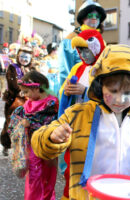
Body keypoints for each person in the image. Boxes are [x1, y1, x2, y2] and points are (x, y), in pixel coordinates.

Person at [31, 44, 130, 199]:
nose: (120, 99)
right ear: (98, 86)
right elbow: (39, 142)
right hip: (89, 195)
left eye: (129, 92)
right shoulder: (79, 114)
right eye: (113, 90)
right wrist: (52, 136)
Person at [58, 29, 105, 200]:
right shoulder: (77, 68)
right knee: (72, 164)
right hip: (75, 123)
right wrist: (67, 92)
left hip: (97, 126)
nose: (83, 54)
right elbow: (64, 92)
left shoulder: (105, 68)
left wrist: (86, 91)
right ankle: (69, 195)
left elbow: (110, 96)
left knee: (94, 167)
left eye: (86, 50)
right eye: (80, 51)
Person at [8, 71, 58, 200]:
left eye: (26, 92)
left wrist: (30, 123)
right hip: (32, 147)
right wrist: (22, 124)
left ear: (36, 88)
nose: (24, 95)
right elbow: (19, 118)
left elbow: (51, 124)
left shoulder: (52, 104)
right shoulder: (28, 103)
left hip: (48, 148)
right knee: (34, 176)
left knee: (48, 176)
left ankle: (47, 197)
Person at [57, 0, 106, 86]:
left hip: (97, 88)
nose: (94, 18)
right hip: (76, 87)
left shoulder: (101, 40)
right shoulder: (71, 39)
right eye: (90, 15)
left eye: (97, 16)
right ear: (83, 17)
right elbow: (64, 72)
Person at [1, 45, 35, 156]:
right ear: (18, 56)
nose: (24, 59)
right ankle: (6, 145)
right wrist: (24, 90)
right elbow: (13, 84)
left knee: (26, 123)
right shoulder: (13, 67)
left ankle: (22, 146)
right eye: (22, 56)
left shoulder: (32, 69)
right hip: (14, 100)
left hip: (28, 100)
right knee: (10, 122)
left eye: (27, 57)